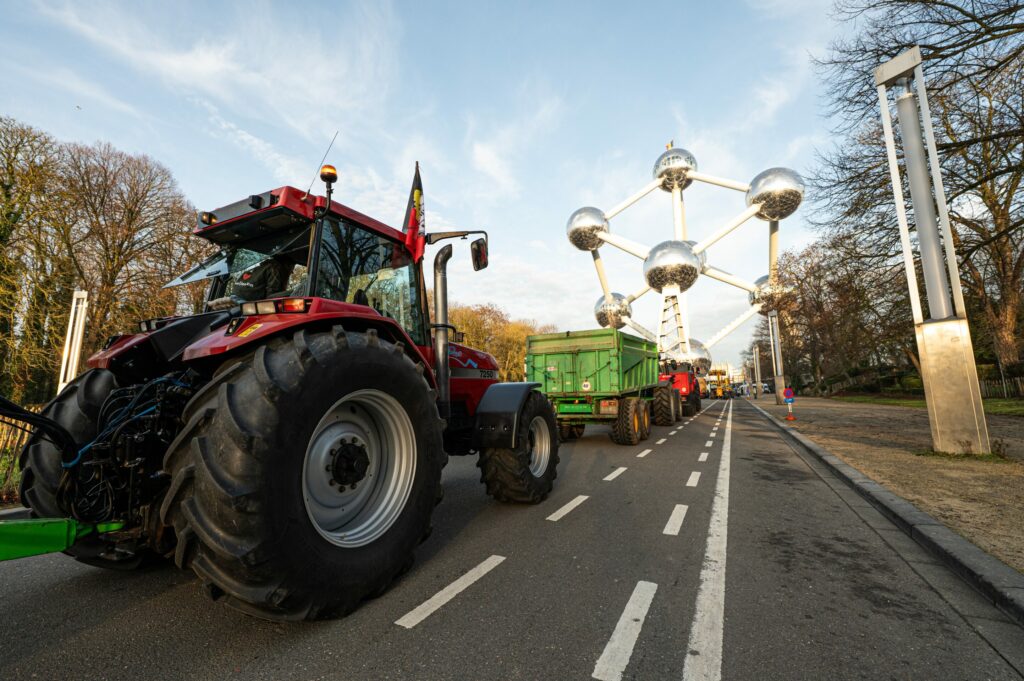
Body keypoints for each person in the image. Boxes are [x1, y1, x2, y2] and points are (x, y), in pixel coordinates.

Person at [207, 255, 294, 310]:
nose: (291, 272)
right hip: (246, 303)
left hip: (234, 297)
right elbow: (273, 297)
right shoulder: (276, 268)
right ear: (287, 265)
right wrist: (292, 292)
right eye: (292, 269)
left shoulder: (258, 269)